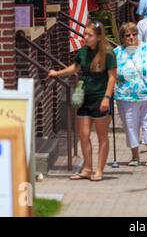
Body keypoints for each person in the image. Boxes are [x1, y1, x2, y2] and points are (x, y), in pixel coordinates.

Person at [48, 21, 117, 181]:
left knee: (102, 136)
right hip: (84, 97)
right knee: (83, 134)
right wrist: (57, 73)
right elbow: (75, 68)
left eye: (89, 35)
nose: (85, 37)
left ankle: (99, 170)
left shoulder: (108, 53)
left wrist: (107, 98)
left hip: (100, 98)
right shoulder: (83, 51)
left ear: (98, 37)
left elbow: (112, 77)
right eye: (85, 34)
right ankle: (87, 168)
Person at [114, 22, 147, 167]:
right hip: (125, 96)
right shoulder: (117, 52)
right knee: (130, 125)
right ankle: (135, 156)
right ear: (122, 38)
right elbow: (111, 73)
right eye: (127, 35)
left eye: (134, 34)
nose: (131, 37)